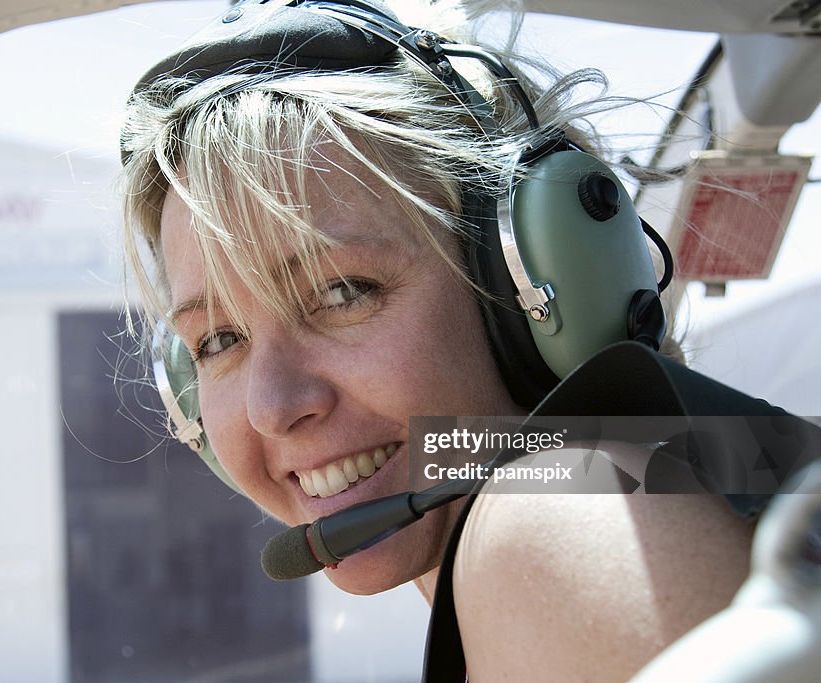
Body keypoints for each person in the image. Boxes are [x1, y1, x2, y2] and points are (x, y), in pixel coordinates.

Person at [117, 1, 778, 680]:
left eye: (343, 292)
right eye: (219, 339)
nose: (273, 405)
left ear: (533, 283)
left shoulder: (555, 527)